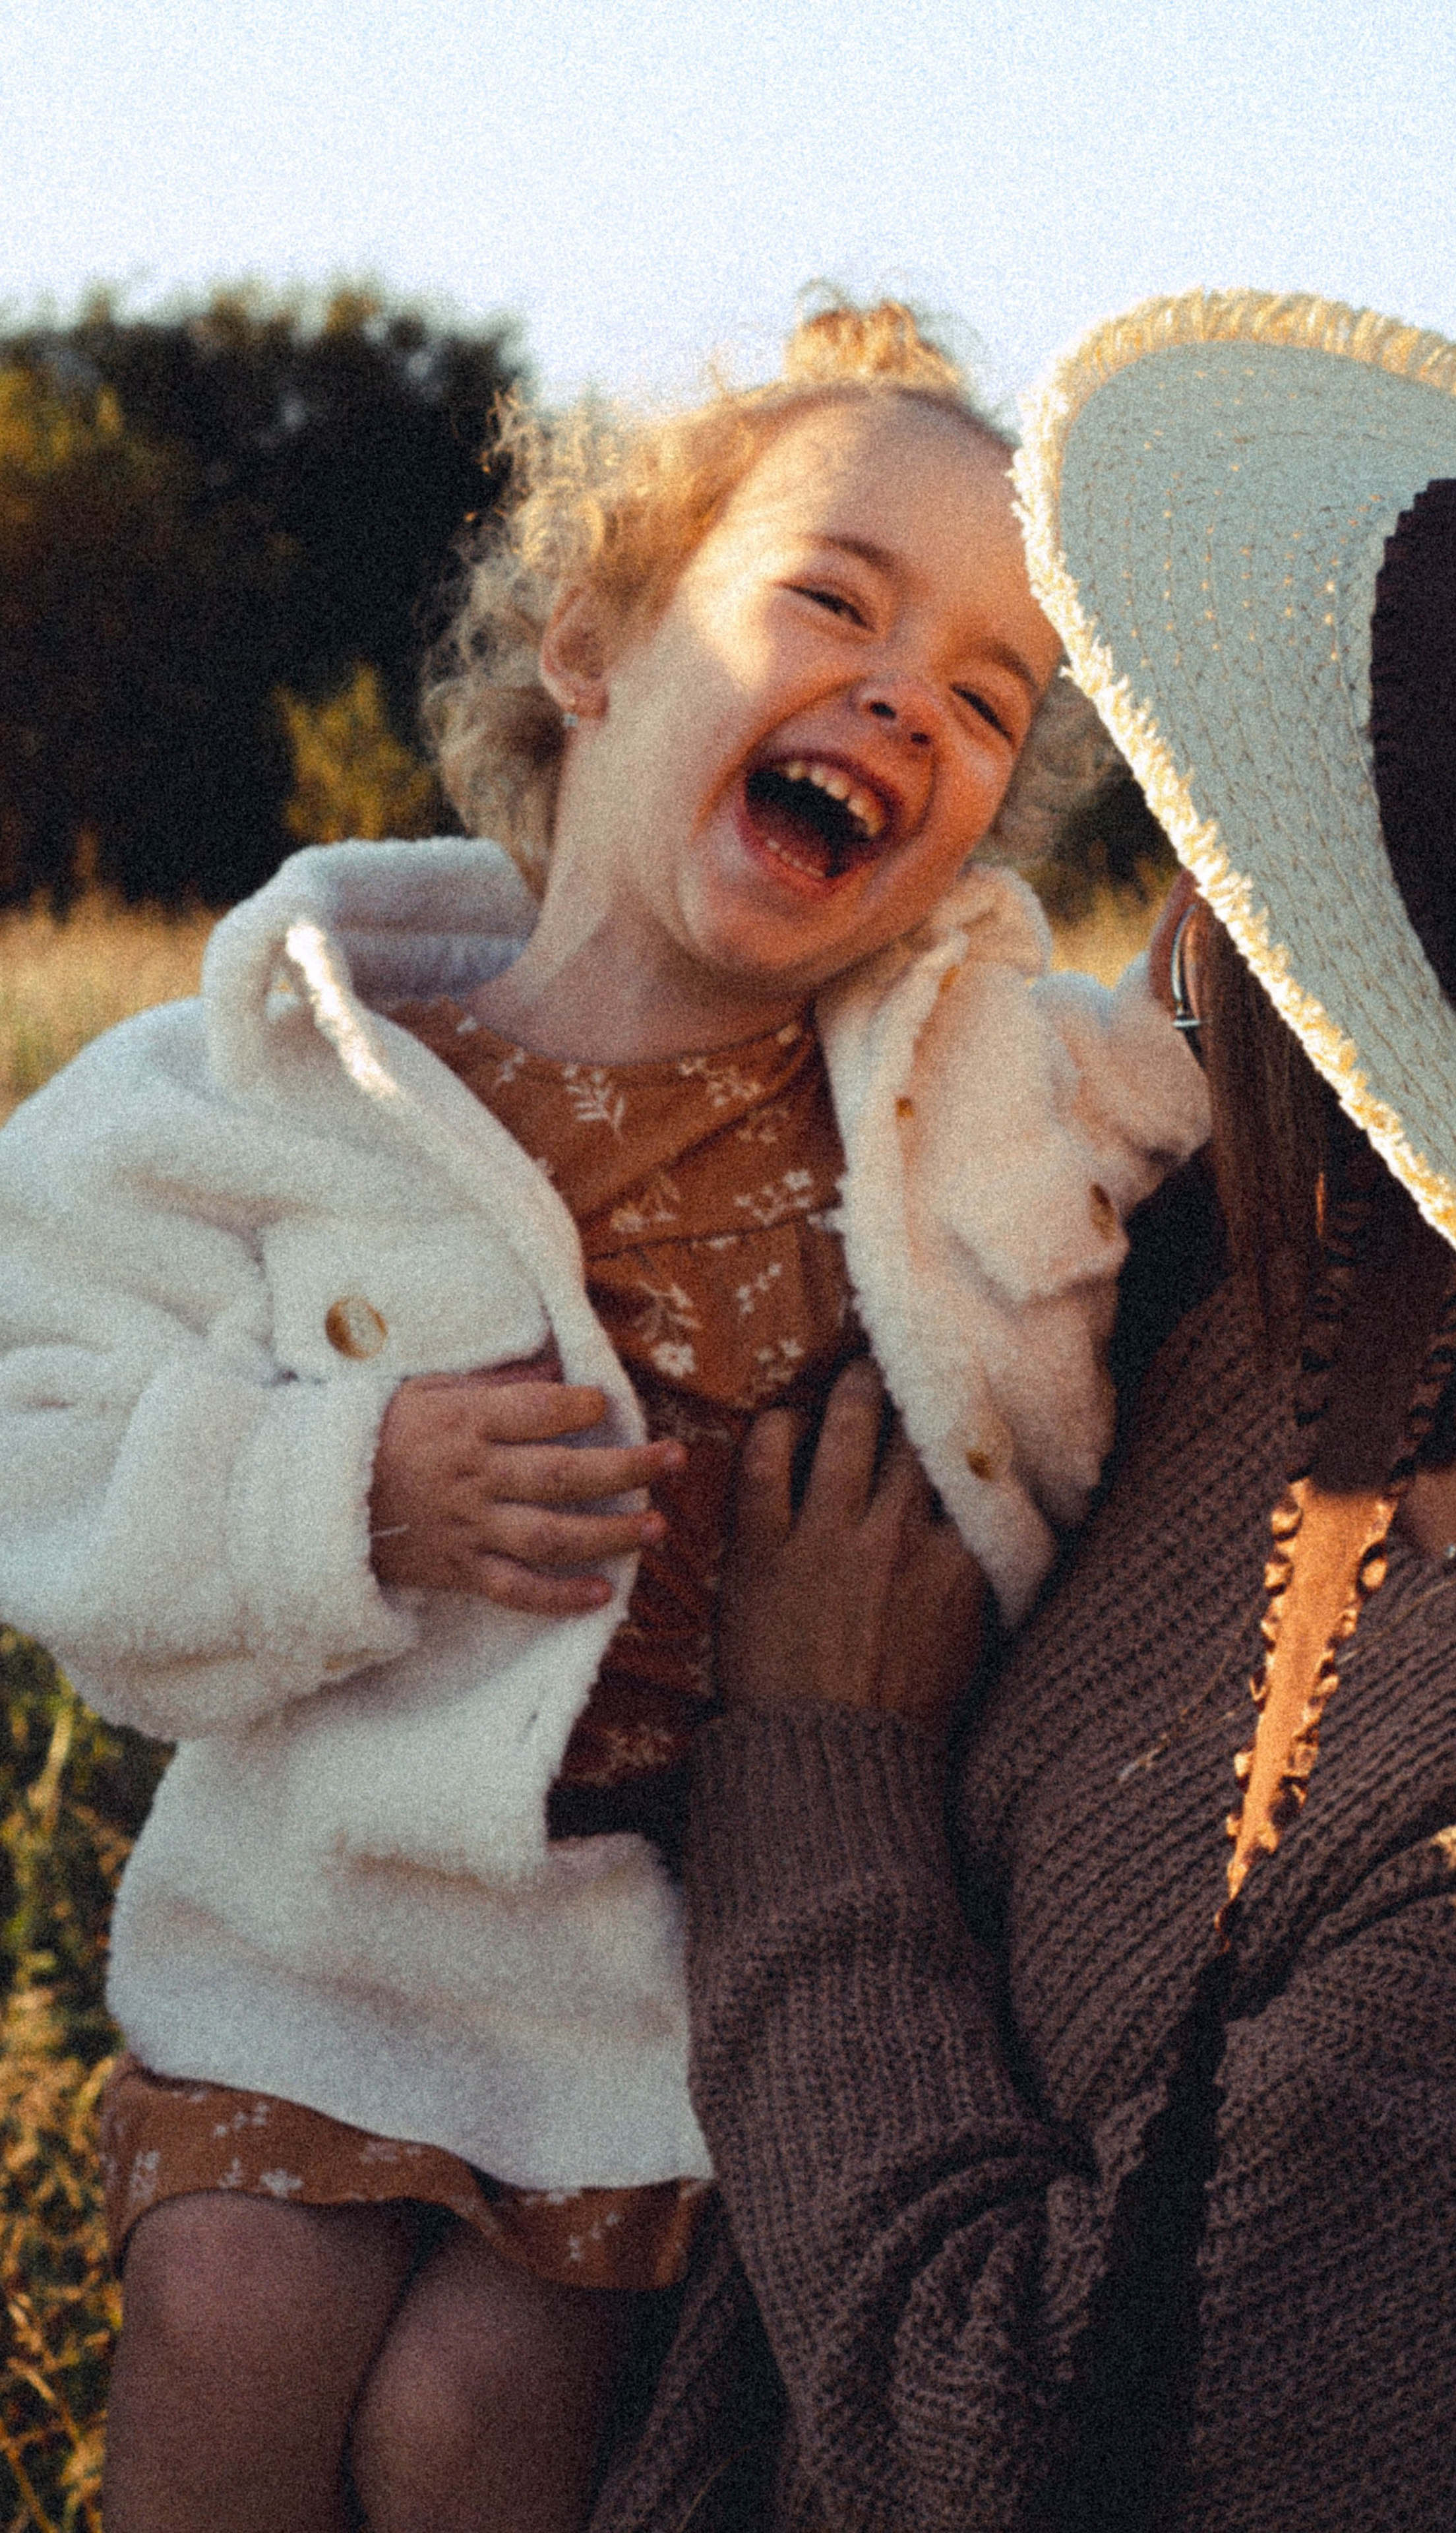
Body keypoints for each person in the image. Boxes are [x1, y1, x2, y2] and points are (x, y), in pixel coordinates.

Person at [0, 301, 1207, 2532]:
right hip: (324, 1920)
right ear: (593, 647)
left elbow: (1215, 1045)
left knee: (480, 2425)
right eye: (832, 603)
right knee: (238, 2315)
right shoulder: (288, 1082)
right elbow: (37, 1423)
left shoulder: (967, 1090)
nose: (897, 697)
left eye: (981, 697)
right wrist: (334, 1487)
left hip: (661, 1964)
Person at [590, 290, 1456, 2530]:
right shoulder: (1233, 1291)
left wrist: (817, 1767)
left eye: (1271, 877)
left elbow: (1022, 2448)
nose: (1187, 910)